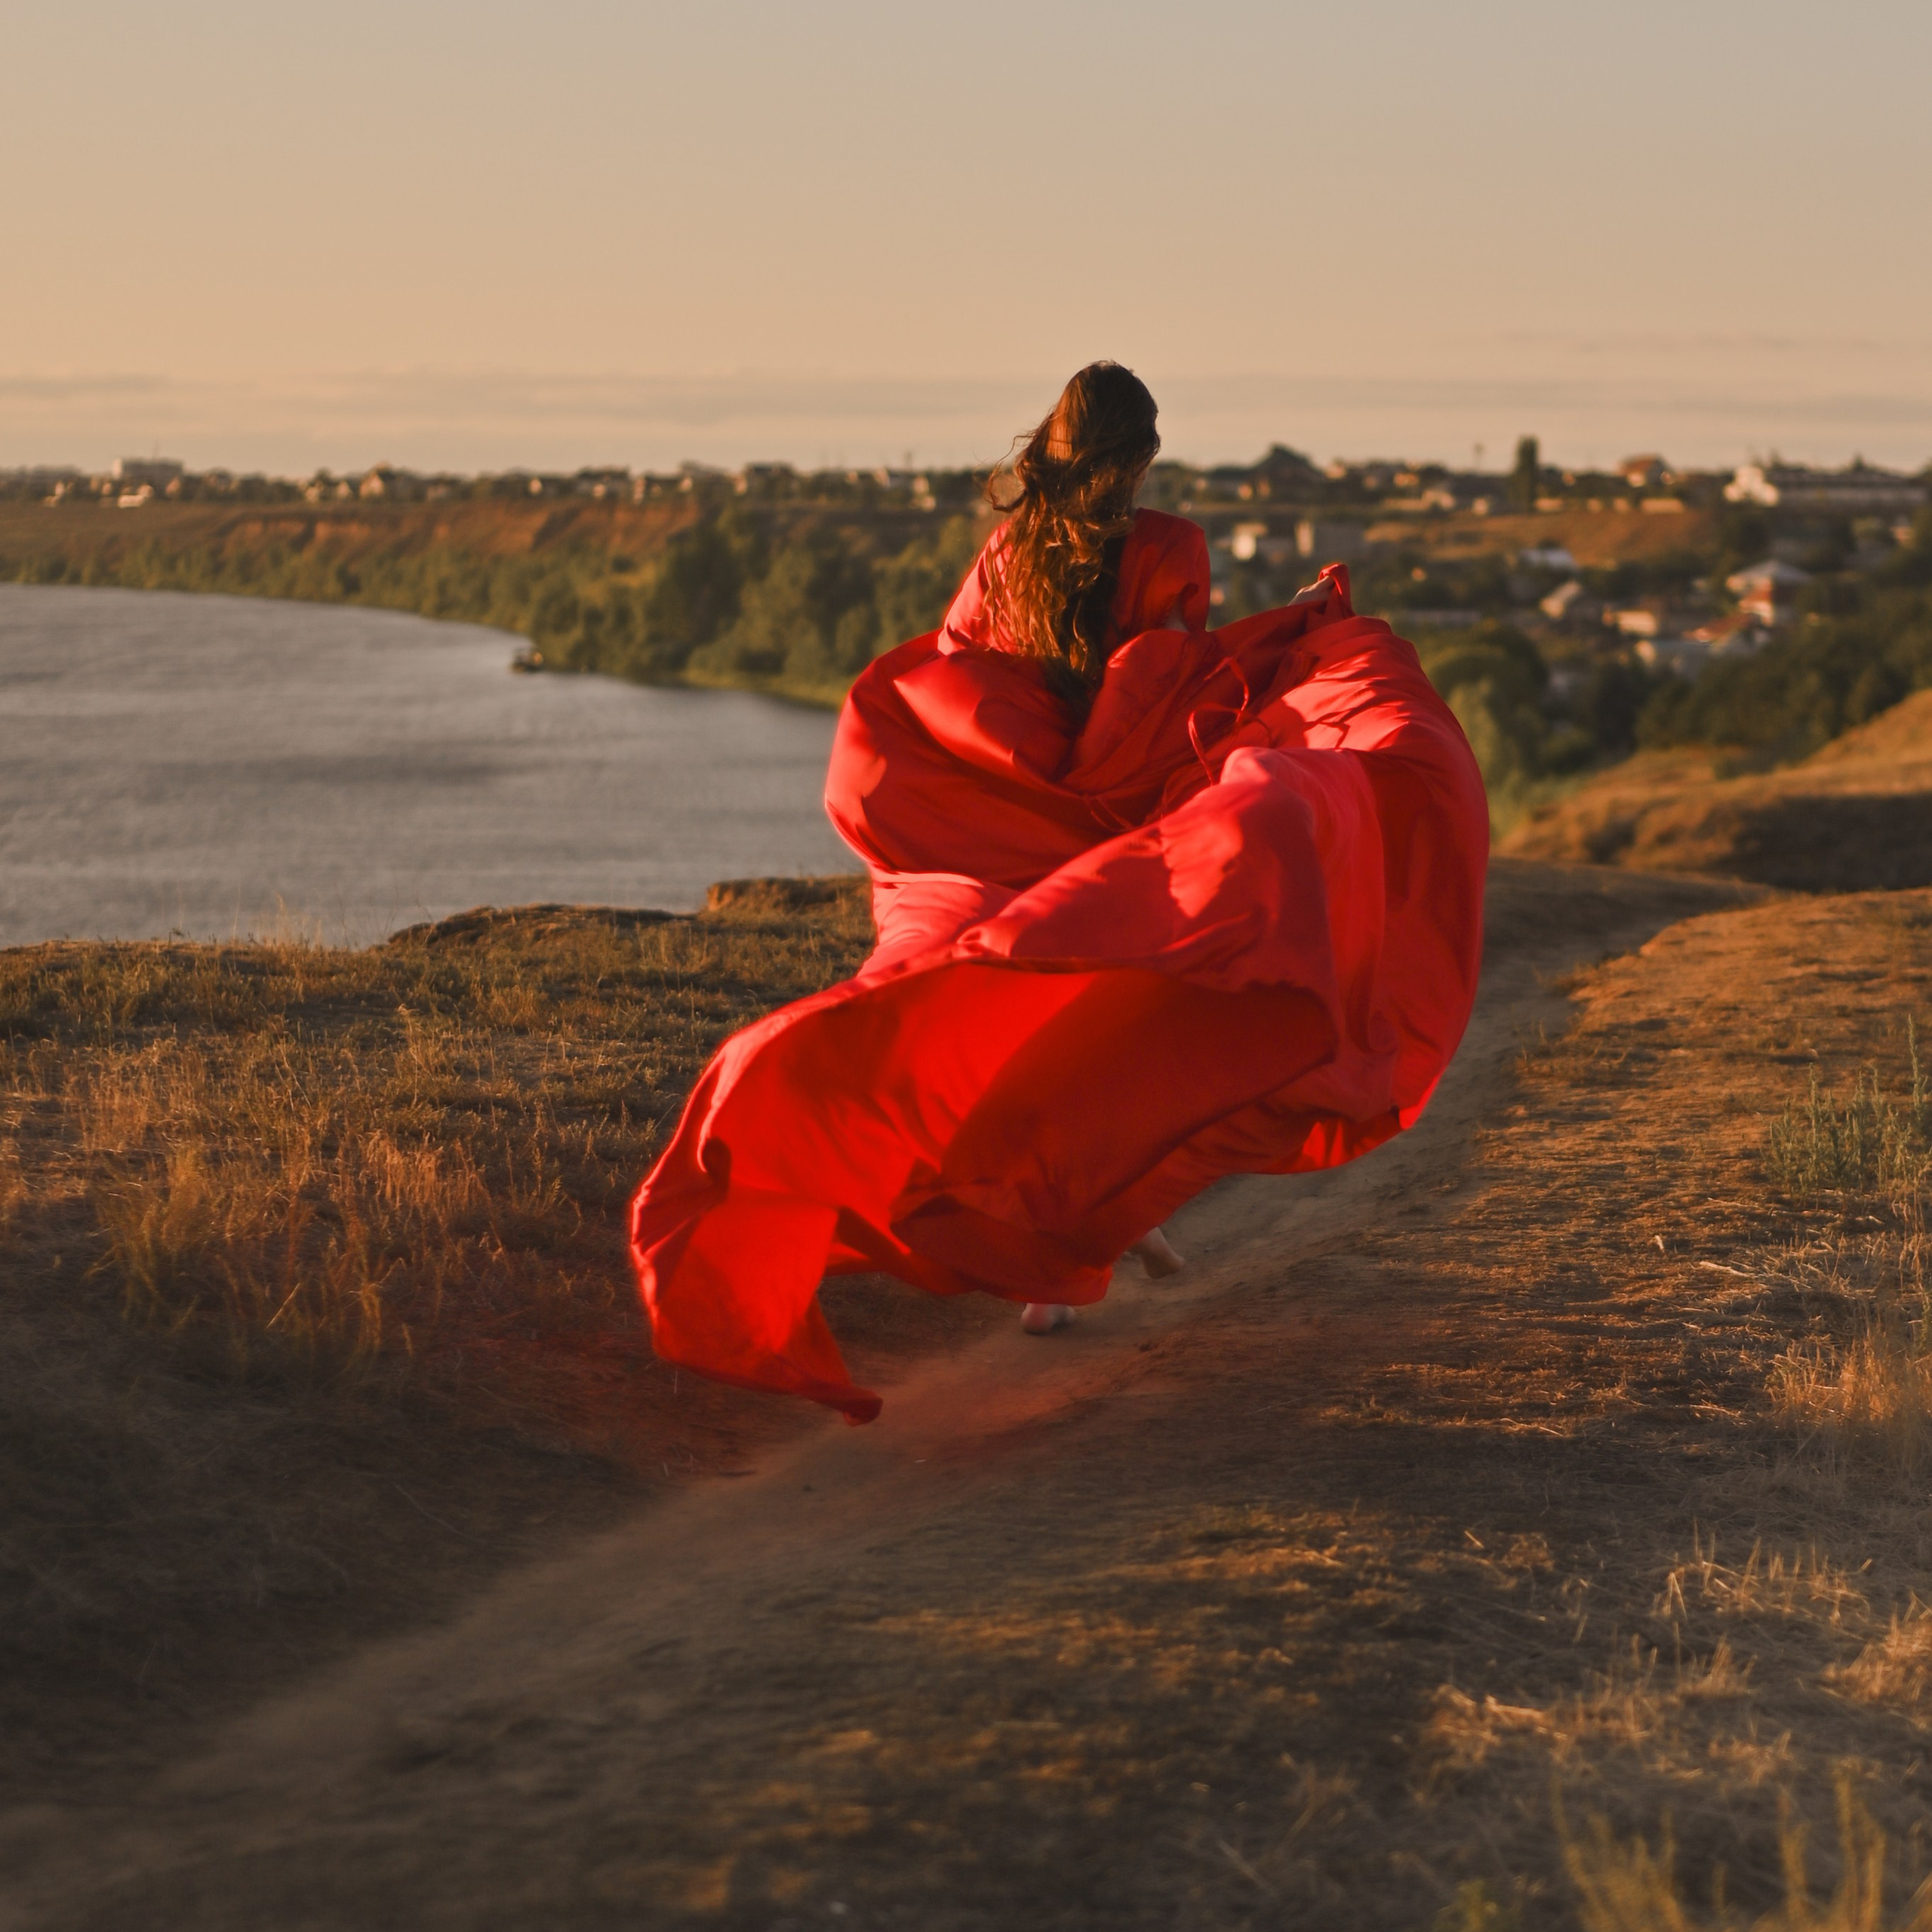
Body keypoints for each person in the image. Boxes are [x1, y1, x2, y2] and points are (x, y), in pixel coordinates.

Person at [629, 362, 1490, 1424]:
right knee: (1098, 1020)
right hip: (1116, 822)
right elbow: (1162, 690)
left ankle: (1083, 1255)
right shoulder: (1168, 546)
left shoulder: (1005, 556)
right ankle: (1081, 1248)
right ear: (1137, 457)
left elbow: (970, 674)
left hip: (1016, 818)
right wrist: (1284, 642)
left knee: (1024, 1017)